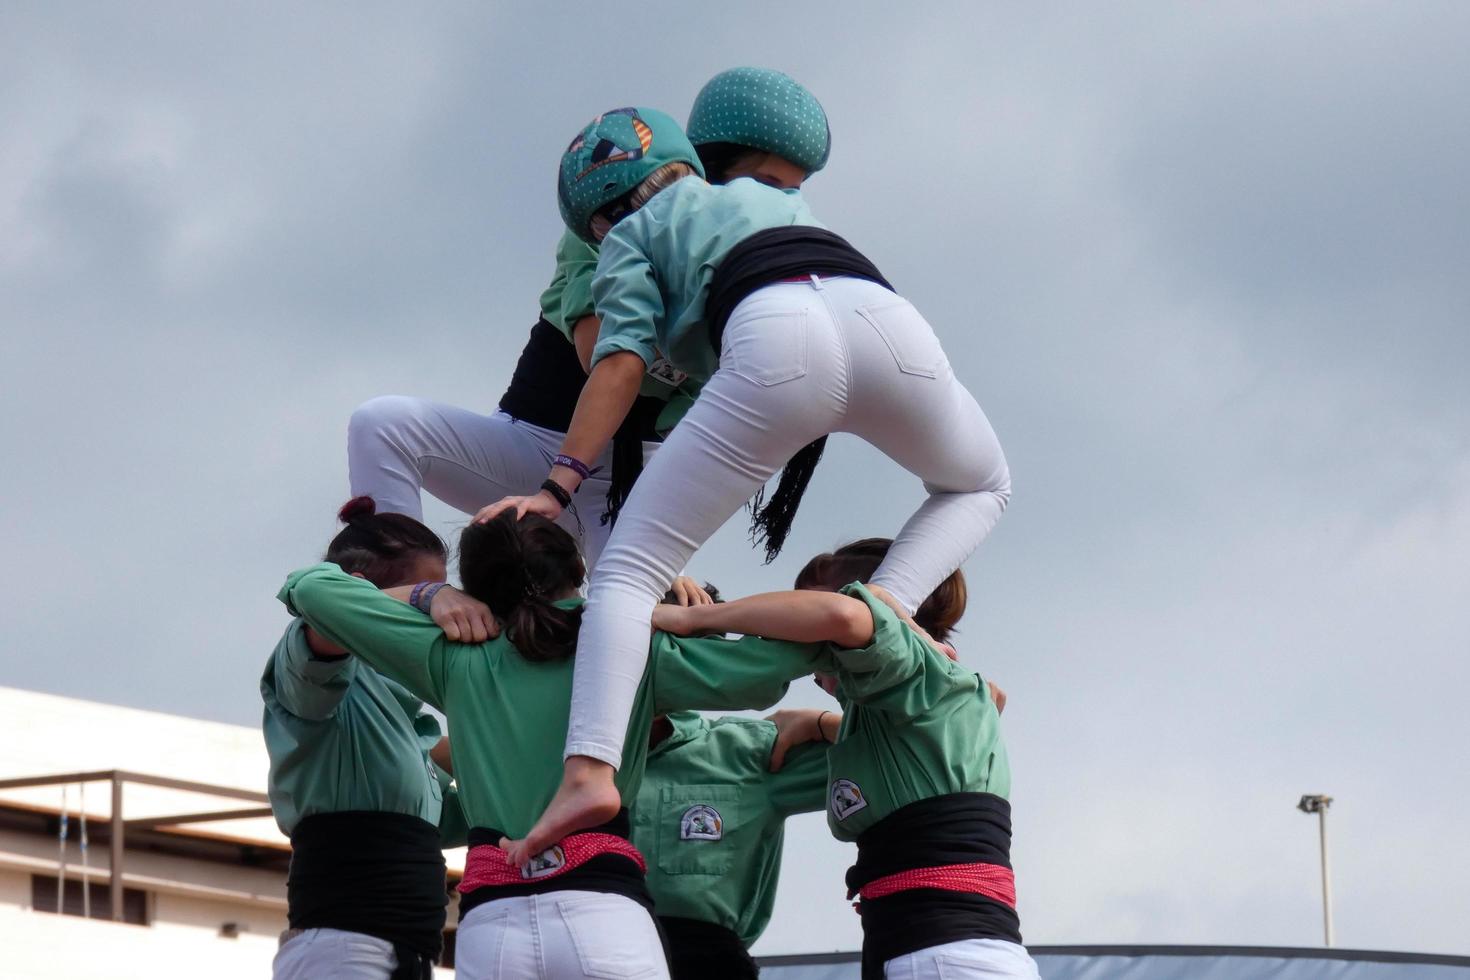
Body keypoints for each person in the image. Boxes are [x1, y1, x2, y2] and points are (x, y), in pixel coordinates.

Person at [480, 105, 1011, 864]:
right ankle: (884, 617)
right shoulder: (774, 195)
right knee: (980, 484)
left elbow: (621, 364)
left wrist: (559, 485)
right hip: (887, 319)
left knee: (628, 573)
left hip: (775, 338)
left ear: (598, 221)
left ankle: (589, 772)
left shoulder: (625, 238)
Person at [275, 512, 836, 980]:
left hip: (490, 923)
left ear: (474, 588)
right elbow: (805, 646)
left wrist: (428, 595)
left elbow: (309, 588)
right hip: (600, 907)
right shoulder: (629, 649)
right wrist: (693, 618)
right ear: (579, 570)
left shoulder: (453, 658)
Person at [347, 67, 829, 565]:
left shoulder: (761, 263)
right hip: (538, 450)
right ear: (708, 167)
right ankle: (407, 592)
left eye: (793, 191)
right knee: (381, 424)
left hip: (632, 484)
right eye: (767, 184)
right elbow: (602, 353)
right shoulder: (609, 224)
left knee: (639, 614)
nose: (777, 204)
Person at [651, 538, 1039, 979]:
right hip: (915, 952)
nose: (795, 645)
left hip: (950, 954)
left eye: (797, 623)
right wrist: (821, 723)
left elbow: (840, 617)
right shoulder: (891, 714)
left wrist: (691, 617)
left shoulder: (928, 675)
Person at [262, 497, 480, 980]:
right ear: (360, 589)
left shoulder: (403, 709)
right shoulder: (315, 666)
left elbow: (441, 820)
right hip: (345, 945)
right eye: (428, 592)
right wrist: (423, 598)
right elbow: (323, 602)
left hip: (407, 951)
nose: (441, 608)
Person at [635, 583, 837, 979]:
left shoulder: (751, 750)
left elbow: (912, 753)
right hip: (582, 947)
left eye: (688, 646)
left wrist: (823, 722)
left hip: (708, 962)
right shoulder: (558, 751)